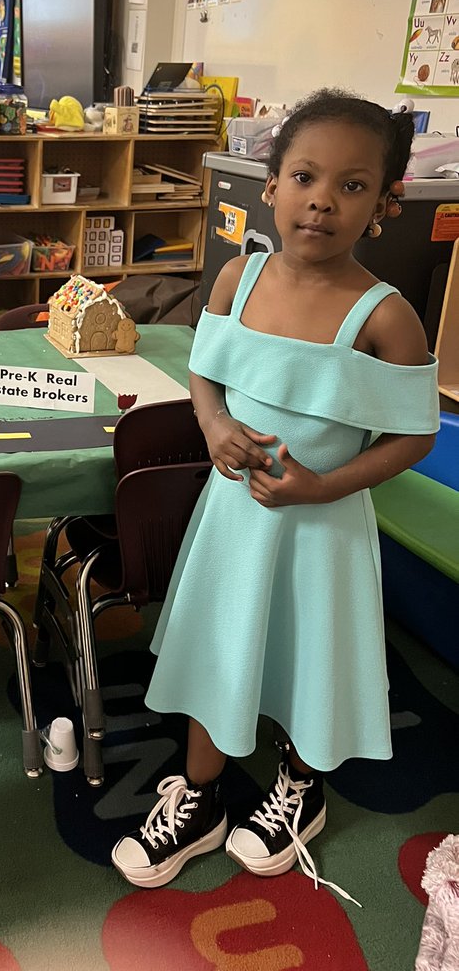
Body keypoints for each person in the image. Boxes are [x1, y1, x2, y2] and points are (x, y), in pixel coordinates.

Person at [111, 90, 439, 899]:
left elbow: (416, 436)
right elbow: (205, 371)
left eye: (353, 186)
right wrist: (213, 420)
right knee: (212, 652)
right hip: (232, 522)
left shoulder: (385, 316)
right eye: (304, 175)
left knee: (305, 656)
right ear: (271, 186)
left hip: (321, 528)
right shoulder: (237, 275)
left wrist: (324, 485)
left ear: (384, 206)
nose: (323, 199)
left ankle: (301, 786)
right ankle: (200, 799)